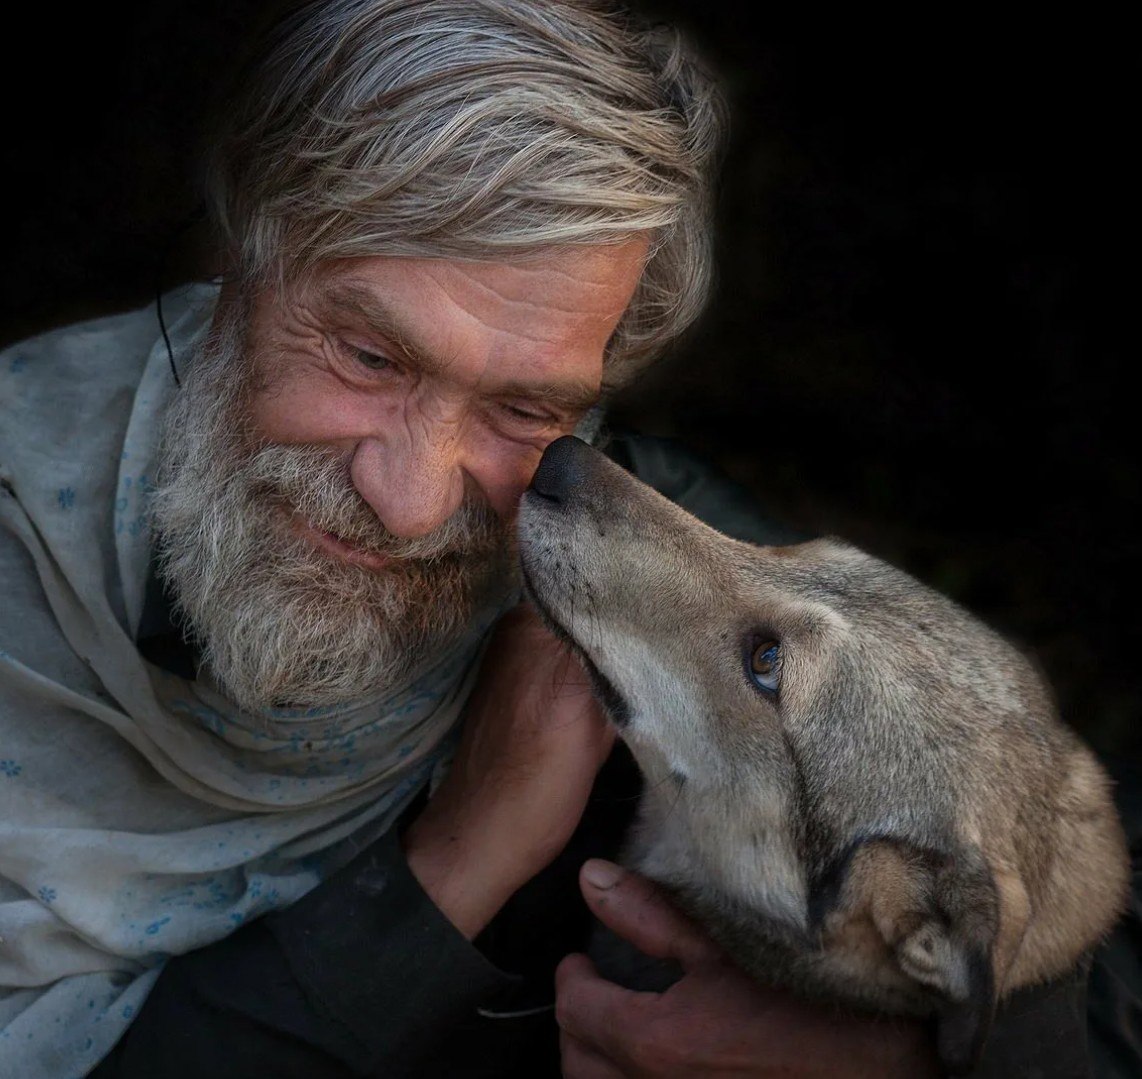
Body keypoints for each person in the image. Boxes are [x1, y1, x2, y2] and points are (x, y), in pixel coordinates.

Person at [0, 2, 1135, 1076]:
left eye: (524, 409)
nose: (408, 501)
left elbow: (1016, 860)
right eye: (368, 355)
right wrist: (460, 857)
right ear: (240, 259)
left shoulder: (646, 592)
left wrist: (921, 1050)